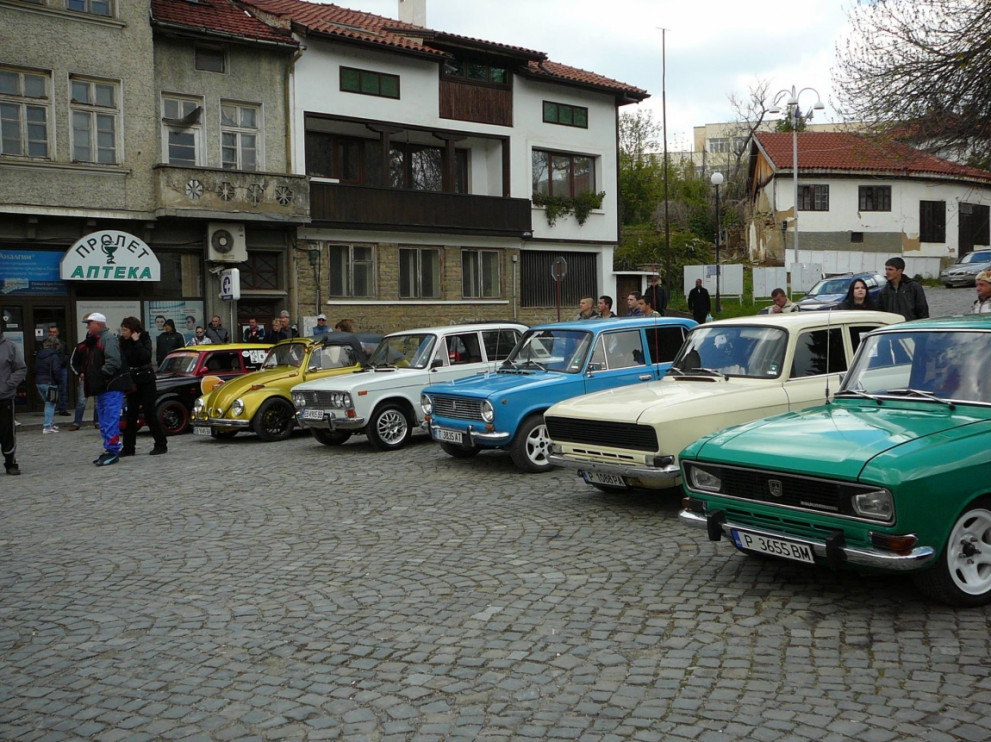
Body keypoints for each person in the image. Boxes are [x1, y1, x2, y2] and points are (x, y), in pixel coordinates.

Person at [78, 312, 131, 466]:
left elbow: (113, 361)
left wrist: (100, 376)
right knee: (104, 419)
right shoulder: (97, 340)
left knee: (110, 419)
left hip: (110, 387)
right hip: (103, 387)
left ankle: (113, 450)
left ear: (98, 324)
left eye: (89, 323)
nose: (87, 326)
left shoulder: (108, 339)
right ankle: (109, 448)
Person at [119, 317, 167, 456]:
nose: (123, 333)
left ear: (134, 331)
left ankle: (160, 443)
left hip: (146, 379)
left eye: (125, 330)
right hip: (132, 381)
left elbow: (145, 357)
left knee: (149, 412)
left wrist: (137, 341)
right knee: (131, 414)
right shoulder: (122, 342)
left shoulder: (144, 338)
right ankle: (128, 447)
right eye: (122, 330)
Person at [0, 326, 27, 475]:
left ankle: (10, 462)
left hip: (4, 398)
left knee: (7, 432)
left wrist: (7, 385)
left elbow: (21, 369)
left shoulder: (10, 347)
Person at [878, 256, 929, 321]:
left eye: (890, 269)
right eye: (886, 269)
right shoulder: (884, 291)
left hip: (909, 328)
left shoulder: (913, 287)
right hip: (891, 328)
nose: (887, 272)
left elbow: (922, 311)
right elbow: (881, 313)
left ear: (899, 271)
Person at [35, 336, 62, 434]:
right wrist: (59, 381)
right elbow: (56, 370)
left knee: (47, 403)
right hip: (50, 382)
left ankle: (50, 423)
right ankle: (47, 426)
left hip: (39, 382)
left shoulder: (39, 354)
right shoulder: (54, 356)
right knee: (50, 404)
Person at [49, 325, 71, 416]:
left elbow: (67, 354)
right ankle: (51, 409)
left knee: (63, 389)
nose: (52, 334)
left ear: (57, 333)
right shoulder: (45, 343)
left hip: (62, 368)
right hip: (50, 370)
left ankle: (62, 409)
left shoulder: (63, 343)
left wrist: (62, 361)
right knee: (51, 389)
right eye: (50, 332)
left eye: (54, 332)